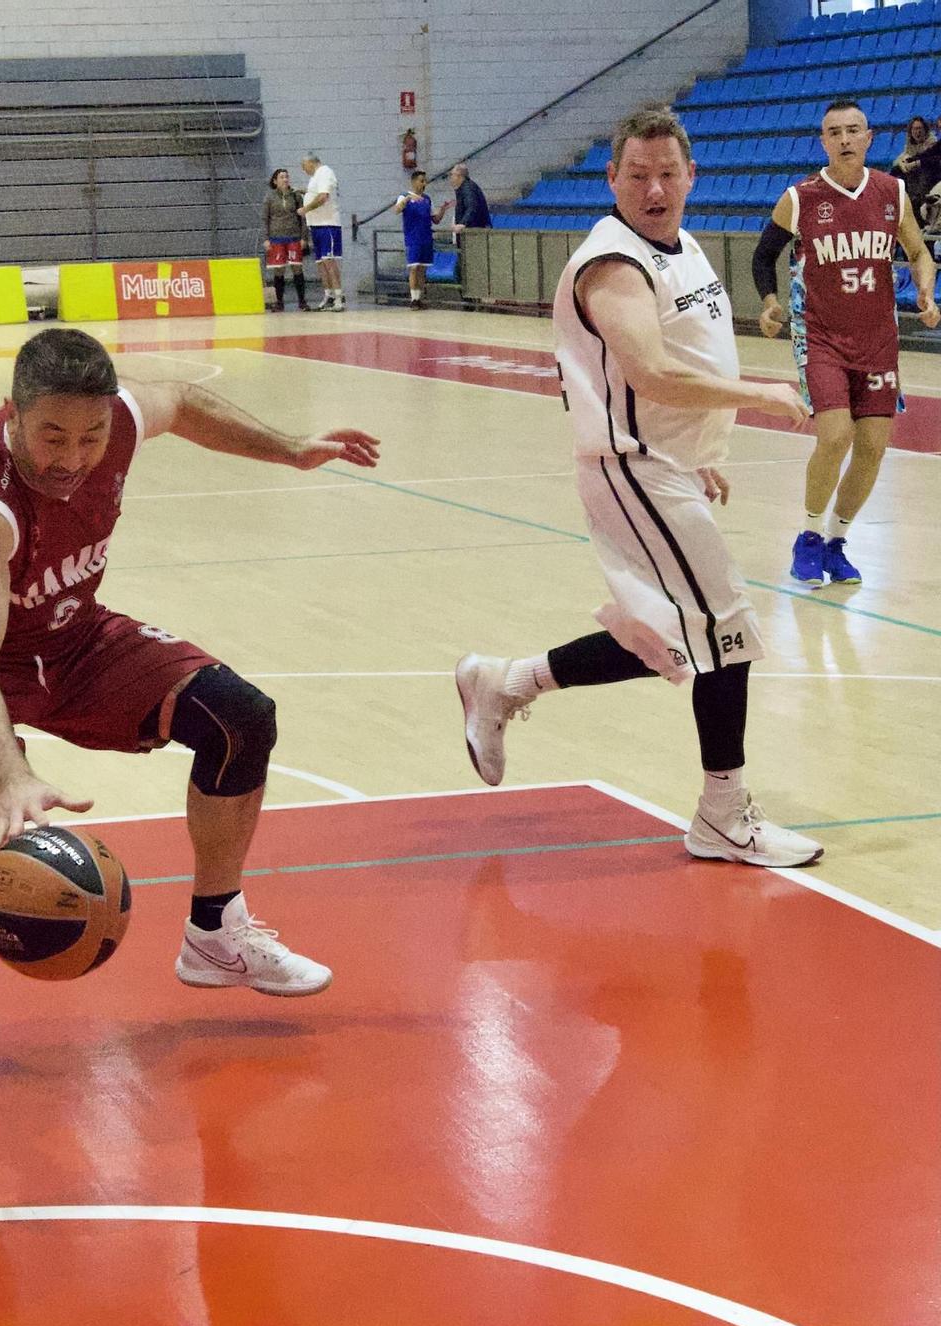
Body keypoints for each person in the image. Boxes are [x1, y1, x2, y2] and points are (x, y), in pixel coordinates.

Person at [0, 327, 382, 1103]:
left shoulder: (113, 420)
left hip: (71, 630)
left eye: (91, 437)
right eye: (51, 435)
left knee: (240, 718)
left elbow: (182, 401)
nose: (73, 456)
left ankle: (215, 932)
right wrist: (12, 773)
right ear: (11, 415)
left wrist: (290, 449)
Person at [455, 108, 823, 870]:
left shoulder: (682, 246)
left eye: (667, 172)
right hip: (628, 468)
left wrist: (696, 449)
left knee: (675, 637)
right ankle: (723, 814)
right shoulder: (613, 263)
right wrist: (759, 394)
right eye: (638, 174)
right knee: (726, 630)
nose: (654, 188)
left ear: (692, 175)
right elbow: (653, 371)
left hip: (662, 464)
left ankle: (507, 681)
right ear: (611, 179)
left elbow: (670, 368)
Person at [754, 99, 939, 587]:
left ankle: (837, 541)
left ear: (869, 137)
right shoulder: (801, 197)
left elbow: (919, 251)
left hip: (879, 340)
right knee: (835, 437)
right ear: (823, 141)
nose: (844, 140)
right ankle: (808, 537)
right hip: (822, 338)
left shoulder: (892, 192)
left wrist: (924, 285)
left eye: (853, 130)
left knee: (874, 448)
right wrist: (770, 302)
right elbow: (763, 255)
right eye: (834, 132)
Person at [299, 152, 344, 311]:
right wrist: (305, 192)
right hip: (316, 225)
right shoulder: (316, 177)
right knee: (320, 262)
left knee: (329, 261)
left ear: (310, 162)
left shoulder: (325, 172)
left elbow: (323, 197)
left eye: (304, 167)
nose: (304, 170)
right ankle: (329, 295)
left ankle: (339, 297)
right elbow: (316, 194)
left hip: (327, 224)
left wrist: (306, 208)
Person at [393, 169, 445, 308]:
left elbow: (436, 220)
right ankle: (413, 299)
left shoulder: (427, 199)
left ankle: (419, 297)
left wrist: (443, 210)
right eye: (421, 181)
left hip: (426, 237)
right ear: (414, 182)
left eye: (425, 181)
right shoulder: (404, 196)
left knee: (422, 268)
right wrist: (407, 199)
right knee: (414, 267)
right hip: (412, 237)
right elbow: (396, 210)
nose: (424, 183)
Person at [262, 168, 307, 311]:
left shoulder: (296, 196)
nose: (285, 179)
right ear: (275, 181)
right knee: (279, 270)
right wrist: (266, 238)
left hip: (294, 237)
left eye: (287, 177)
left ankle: (302, 301)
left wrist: (304, 237)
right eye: (281, 177)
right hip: (276, 238)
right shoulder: (269, 197)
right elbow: (265, 219)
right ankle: (279, 302)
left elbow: (303, 218)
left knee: (297, 268)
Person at [890, 114, 941, 228]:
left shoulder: (931, 142)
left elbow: (933, 159)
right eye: (914, 129)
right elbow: (919, 156)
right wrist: (906, 163)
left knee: (922, 172)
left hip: (932, 178)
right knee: (897, 171)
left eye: (919, 129)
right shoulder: (910, 145)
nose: (917, 132)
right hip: (917, 180)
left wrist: (916, 163)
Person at [448, 161, 492, 237]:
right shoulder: (465, 187)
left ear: (459, 176)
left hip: (474, 232)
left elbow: (472, 206)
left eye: (452, 175)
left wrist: (463, 223)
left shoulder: (468, 189)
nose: (450, 178)